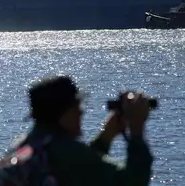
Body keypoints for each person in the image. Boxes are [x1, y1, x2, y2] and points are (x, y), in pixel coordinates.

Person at [20, 75, 153, 186]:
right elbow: (133, 182)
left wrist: (105, 137)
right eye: (77, 107)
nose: (81, 112)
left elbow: (81, 172)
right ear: (65, 113)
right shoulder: (65, 152)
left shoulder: (26, 146)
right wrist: (137, 130)